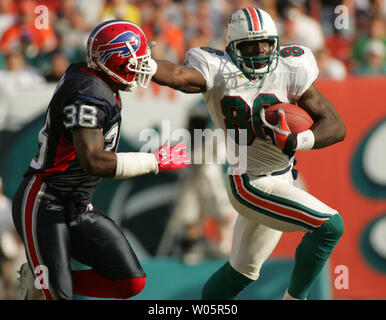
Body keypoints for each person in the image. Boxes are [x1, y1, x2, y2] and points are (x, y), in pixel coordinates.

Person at [151, 7, 346, 300]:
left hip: (282, 178)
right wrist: (148, 65)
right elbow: (178, 75)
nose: (260, 51)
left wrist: (296, 141)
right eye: (250, 46)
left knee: (239, 275)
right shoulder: (219, 70)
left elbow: (335, 125)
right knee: (329, 227)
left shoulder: (290, 67)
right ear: (232, 49)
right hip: (250, 181)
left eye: (266, 44)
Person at [12, 20, 190, 300]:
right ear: (115, 63)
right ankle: (47, 286)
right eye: (137, 61)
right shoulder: (87, 93)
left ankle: (42, 283)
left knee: (130, 281)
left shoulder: (95, 81)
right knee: (58, 297)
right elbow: (93, 161)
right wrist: (152, 161)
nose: (143, 66)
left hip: (79, 205)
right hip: (46, 203)